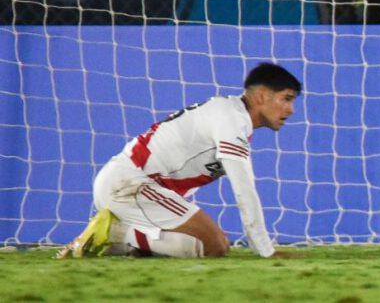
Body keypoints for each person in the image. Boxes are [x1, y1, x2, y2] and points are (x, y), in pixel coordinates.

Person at [57, 63, 302, 258]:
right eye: (286, 99)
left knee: (195, 246)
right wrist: (265, 250)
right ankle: (114, 233)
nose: (290, 110)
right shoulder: (231, 121)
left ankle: (110, 241)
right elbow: (244, 191)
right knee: (216, 245)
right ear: (261, 96)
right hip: (130, 184)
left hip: (132, 185)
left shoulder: (231, 114)